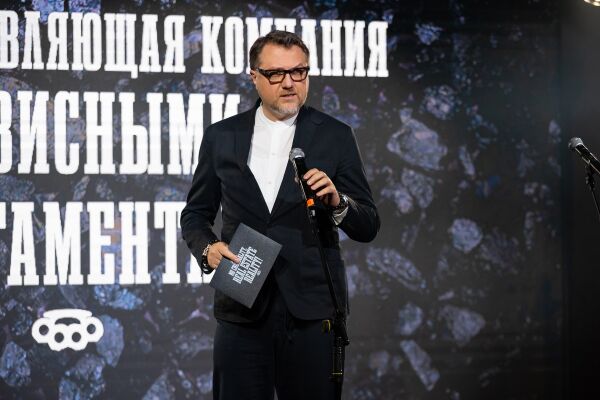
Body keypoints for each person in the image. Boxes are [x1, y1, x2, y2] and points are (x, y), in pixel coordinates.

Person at [180, 30, 380, 400]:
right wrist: (207, 249)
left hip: (313, 310)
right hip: (241, 306)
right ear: (254, 76)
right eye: (275, 74)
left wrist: (338, 202)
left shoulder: (335, 135)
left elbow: (368, 224)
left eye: (299, 71)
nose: (289, 83)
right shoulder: (221, 136)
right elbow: (194, 214)